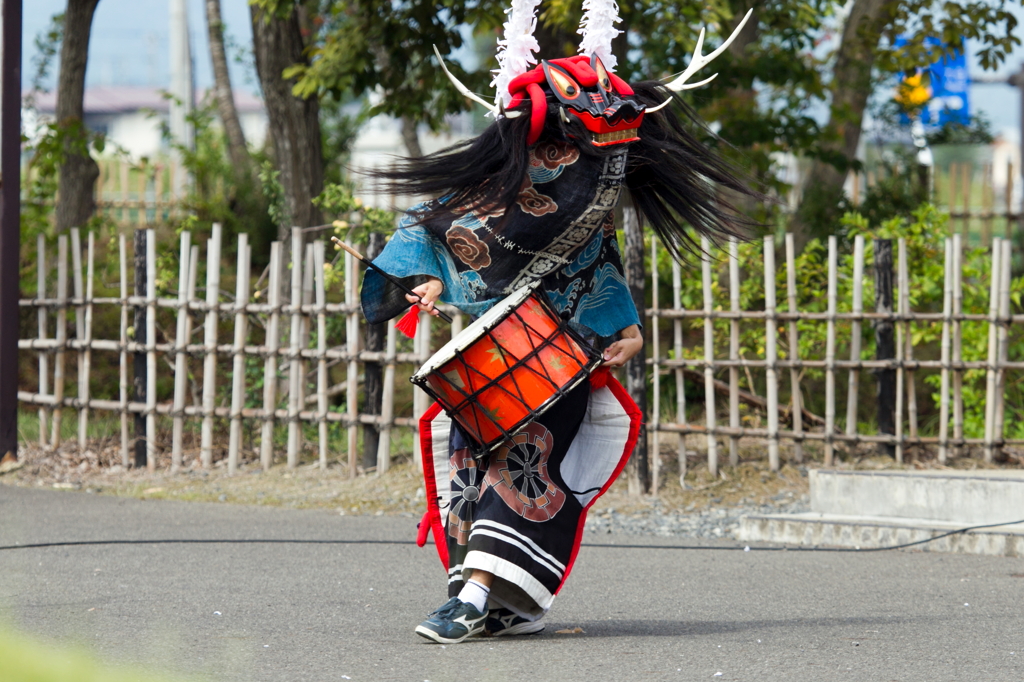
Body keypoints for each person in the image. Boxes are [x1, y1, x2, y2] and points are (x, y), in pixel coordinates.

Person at [358, 1, 761, 644]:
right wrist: (423, 281)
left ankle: (475, 597)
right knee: (476, 468)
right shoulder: (492, 179)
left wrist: (624, 324)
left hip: (562, 352)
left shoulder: (593, 180)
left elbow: (599, 261)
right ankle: (496, 599)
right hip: (492, 347)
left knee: (525, 463)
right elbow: (431, 230)